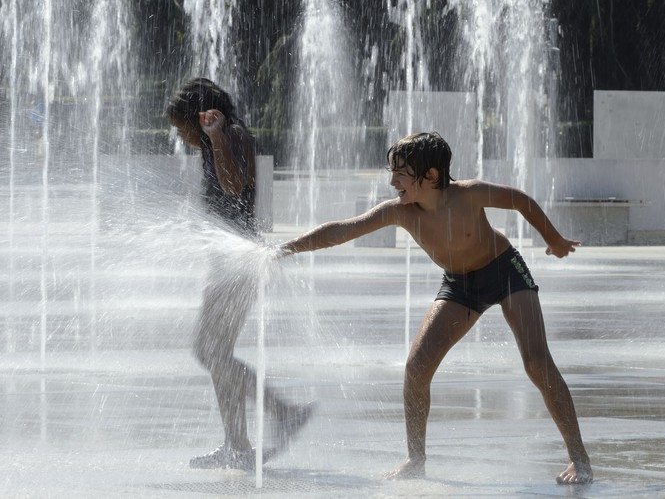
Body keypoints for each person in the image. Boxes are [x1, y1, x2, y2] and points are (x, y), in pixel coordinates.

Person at [277, 132, 593, 485]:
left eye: (400, 174)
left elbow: (520, 200)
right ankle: (416, 459)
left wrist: (554, 239)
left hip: (505, 273)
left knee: (537, 362)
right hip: (459, 285)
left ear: (429, 176)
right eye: (391, 172)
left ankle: (579, 459)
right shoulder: (399, 212)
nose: (392, 181)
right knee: (416, 367)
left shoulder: (469, 194)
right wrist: (287, 248)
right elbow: (344, 230)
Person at [166, 78, 311, 470]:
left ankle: (282, 412)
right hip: (226, 264)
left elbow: (234, 186)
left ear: (200, 118)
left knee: (209, 351)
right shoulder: (219, 141)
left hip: (240, 266)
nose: (182, 136)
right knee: (215, 353)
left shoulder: (233, 136)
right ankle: (237, 444)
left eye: (183, 127)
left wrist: (215, 137)